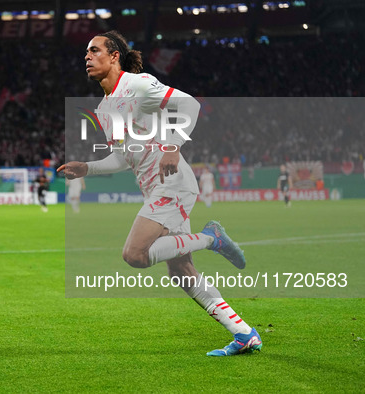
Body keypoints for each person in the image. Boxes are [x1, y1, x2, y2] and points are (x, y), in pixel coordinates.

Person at [57, 30, 261, 356]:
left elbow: (190, 105)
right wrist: (88, 168)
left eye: (94, 50)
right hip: (155, 188)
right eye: (86, 52)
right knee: (182, 271)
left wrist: (173, 145)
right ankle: (244, 333)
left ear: (114, 57)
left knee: (134, 254)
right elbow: (122, 158)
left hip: (174, 183)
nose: (87, 56)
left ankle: (211, 238)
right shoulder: (103, 109)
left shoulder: (137, 85)